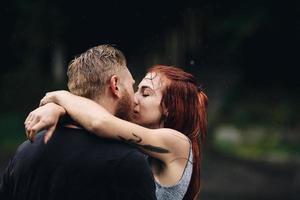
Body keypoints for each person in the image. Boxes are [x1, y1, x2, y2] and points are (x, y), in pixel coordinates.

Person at [25, 64, 208, 200]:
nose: (134, 99)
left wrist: (60, 96)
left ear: (170, 107)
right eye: (137, 90)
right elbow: (93, 115)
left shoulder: (177, 143)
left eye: (145, 94)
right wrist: (58, 110)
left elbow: (99, 121)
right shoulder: (139, 139)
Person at [0, 45, 157, 200]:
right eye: (131, 85)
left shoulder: (25, 151)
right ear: (115, 85)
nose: (134, 97)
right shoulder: (127, 162)